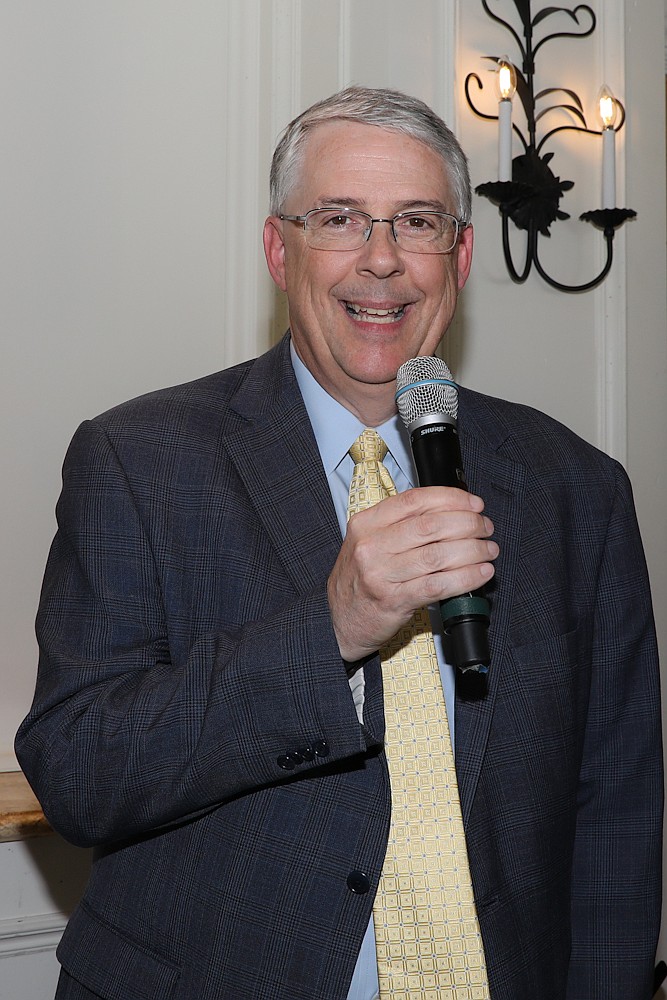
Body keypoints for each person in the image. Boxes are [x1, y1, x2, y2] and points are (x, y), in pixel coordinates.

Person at [15, 86, 662, 1000]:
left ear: (462, 253)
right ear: (280, 250)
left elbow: (616, 815)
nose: (382, 261)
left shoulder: (576, 487)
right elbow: (79, 774)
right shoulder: (139, 460)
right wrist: (330, 630)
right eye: (340, 219)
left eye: (417, 222)